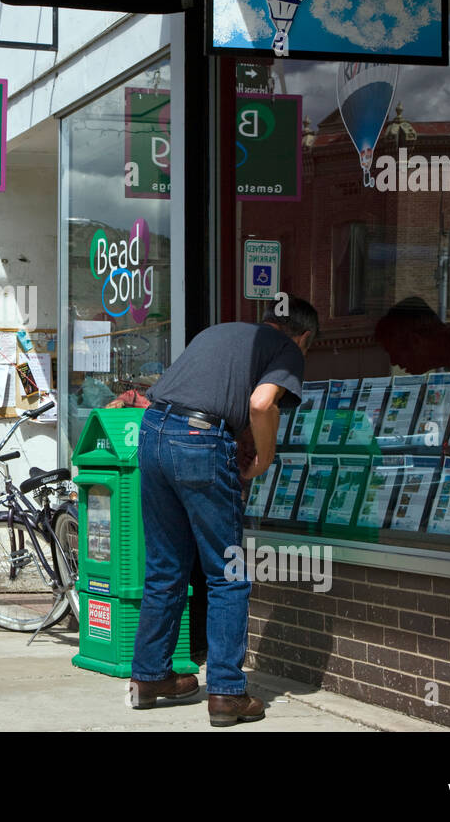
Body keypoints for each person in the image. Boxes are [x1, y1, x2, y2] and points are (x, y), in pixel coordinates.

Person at [128, 297, 317, 726]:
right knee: (227, 573)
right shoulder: (286, 349)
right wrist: (265, 458)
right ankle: (228, 693)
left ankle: (149, 678)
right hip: (199, 439)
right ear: (303, 337)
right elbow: (261, 403)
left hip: (153, 430)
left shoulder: (221, 331)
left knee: (165, 566)